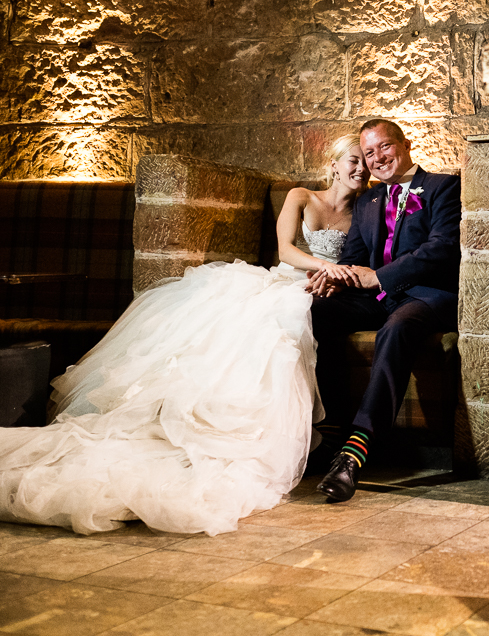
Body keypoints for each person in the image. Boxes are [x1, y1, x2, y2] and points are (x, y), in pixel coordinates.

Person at [0, 135, 369, 536]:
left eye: (365, 162)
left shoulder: (368, 210)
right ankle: (187, 418)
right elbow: (285, 252)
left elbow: (362, 261)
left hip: (322, 292)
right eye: (353, 160)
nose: (361, 169)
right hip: (289, 280)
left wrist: (337, 279)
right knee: (252, 321)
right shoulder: (301, 196)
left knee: (286, 330)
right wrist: (324, 269)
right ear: (333, 164)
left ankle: (242, 429)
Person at [310, 119, 461, 502]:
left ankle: (354, 454)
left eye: (385, 148)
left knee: (396, 329)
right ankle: (330, 432)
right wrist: (335, 279)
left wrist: (380, 277)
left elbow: (442, 248)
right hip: (376, 298)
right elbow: (354, 258)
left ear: (406, 144)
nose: (377, 159)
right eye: (370, 152)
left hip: (426, 297)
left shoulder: (444, 187)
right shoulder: (367, 201)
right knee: (314, 311)